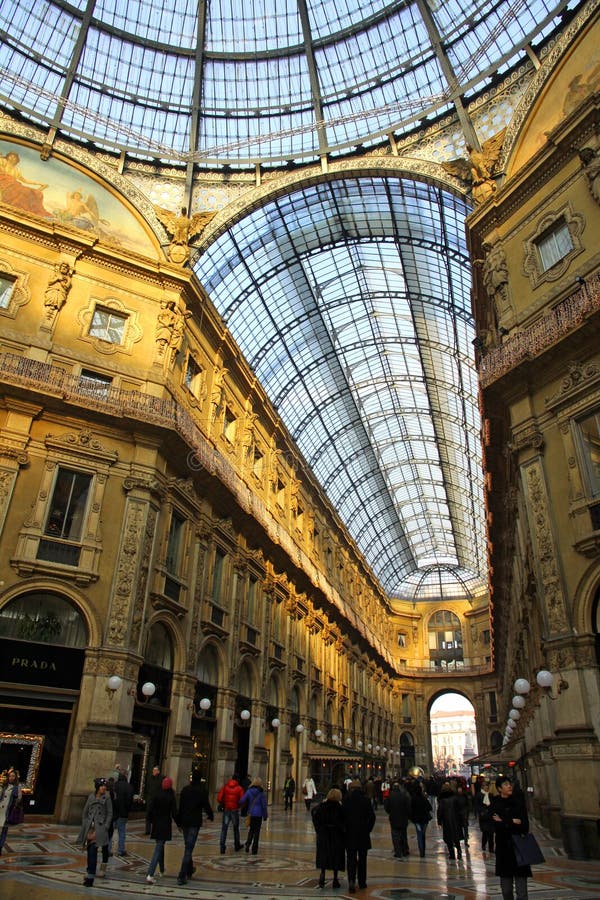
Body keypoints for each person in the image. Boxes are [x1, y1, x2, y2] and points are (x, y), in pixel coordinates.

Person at [491, 777, 532, 900]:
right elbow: (494, 825)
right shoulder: (495, 804)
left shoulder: (518, 802)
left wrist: (503, 821)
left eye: (510, 784)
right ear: (499, 789)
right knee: (507, 890)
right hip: (504, 850)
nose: (509, 786)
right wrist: (512, 821)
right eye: (505, 784)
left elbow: (524, 826)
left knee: (522, 892)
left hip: (519, 847)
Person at [175, 768, 214, 885]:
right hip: (194, 823)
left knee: (188, 845)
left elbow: (180, 807)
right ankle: (182, 875)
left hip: (185, 822)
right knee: (188, 848)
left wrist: (178, 822)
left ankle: (189, 869)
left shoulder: (185, 790)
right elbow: (206, 805)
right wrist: (210, 815)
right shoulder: (202, 791)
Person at [77, 776, 113, 887]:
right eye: (102, 786)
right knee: (89, 852)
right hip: (89, 828)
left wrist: (106, 826)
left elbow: (110, 813)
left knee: (93, 851)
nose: (103, 788)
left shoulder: (107, 797)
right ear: (97, 787)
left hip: (100, 829)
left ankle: (91, 877)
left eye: (104, 786)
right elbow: (85, 812)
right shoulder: (91, 797)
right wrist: (85, 824)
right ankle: (89, 872)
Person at [343, 780, 375, 894]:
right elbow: (372, 817)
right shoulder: (366, 800)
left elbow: (342, 818)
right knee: (362, 859)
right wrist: (368, 829)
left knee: (351, 859)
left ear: (351, 789)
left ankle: (351, 880)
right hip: (363, 835)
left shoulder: (346, 800)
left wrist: (345, 830)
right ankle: (362, 882)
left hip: (349, 835)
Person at [311, 787, 346, 890]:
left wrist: (318, 828)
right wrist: (342, 830)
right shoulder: (340, 808)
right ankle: (335, 879)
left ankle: (322, 874)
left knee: (324, 854)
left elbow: (314, 813)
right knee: (336, 855)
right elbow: (344, 821)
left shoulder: (322, 807)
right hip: (336, 835)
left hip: (324, 834)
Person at [145, 776, 177, 884]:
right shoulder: (171, 796)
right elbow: (174, 812)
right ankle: (150, 873)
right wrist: (179, 824)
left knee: (160, 845)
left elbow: (150, 809)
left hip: (157, 824)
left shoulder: (157, 794)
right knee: (158, 849)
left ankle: (162, 870)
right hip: (165, 825)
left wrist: (150, 821)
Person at [240, 776, 268, 855]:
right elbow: (264, 805)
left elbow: (242, 800)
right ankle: (254, 849)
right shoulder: (261, 793)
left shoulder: (249, 791)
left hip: (251, 813)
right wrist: (265, 815)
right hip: (258, 815)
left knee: (251, 830)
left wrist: (238, 804)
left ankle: (248, 844)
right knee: (257, 832)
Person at [216, 773, 244, 853]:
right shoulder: (239, 788)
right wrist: (238, 805)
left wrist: (224, 803)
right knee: (235, 829)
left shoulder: (225, 787)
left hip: (227, 809)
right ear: (238, 780)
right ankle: (237, 845)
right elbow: (242, 800)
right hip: (234, 810)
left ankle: (222, 846)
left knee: (224, 829)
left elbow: (219, 798)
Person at [384, 780, 411, 859]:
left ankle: (398, 852)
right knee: (403, 834)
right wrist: (408, 816)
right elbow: (408, 807)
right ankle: (405, 850)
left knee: (395, 835)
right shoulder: (404, 796)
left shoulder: (390, 796)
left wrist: (391, 813)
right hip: (403, 818)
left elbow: (387, 807)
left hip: (394, 818)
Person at [0, 768, 24, 855]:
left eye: (13, 776)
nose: (11, 777)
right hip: (0, 809)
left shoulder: (17, 788)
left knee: (4, 830)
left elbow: (19, 799)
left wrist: (17, 798)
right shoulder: (4, 785)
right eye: (10, 776)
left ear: (15, 777)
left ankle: (0, 846)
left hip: (8, 812)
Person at [437, 782, 463, 861]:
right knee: (456, 837)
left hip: (446, 820)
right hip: (455, 820)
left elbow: (440, 811)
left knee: (449, 838)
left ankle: (452, 854)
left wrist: (439, 821)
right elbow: (459, 809)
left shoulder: (442, 800)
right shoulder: (455, 798)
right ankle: (459, 851)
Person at [112, 770, 134, 857]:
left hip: (114, 812)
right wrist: (128, 810)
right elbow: (129, 801)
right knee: (122, 832)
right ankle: (121, 850)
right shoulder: (129, 787)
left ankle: (108, 849)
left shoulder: (114, 786)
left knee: (110, 831)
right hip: (123, 813)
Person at [475, 779, 495, 854]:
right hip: (484, 817)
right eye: (485, 786)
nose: (486, 787)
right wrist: (482, 812)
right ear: (482, 787)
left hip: (490, 816)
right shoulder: (479, 795)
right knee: (485, 832)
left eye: (487, 786)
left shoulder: (490, 795)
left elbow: (493, 805)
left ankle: (491, 848)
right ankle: (483, 844)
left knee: (491, 833)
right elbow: (477, 806)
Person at [145, 765, 163, 835]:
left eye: (155, 770)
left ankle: (154, 830)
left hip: (157, 801)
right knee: (148, 816)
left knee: (155, 816)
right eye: (153, 770)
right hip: (150, 800)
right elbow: (148, 788)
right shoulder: (150, 778)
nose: (153, 772)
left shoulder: (161, 779)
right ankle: (147, 830)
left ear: (158, 771)